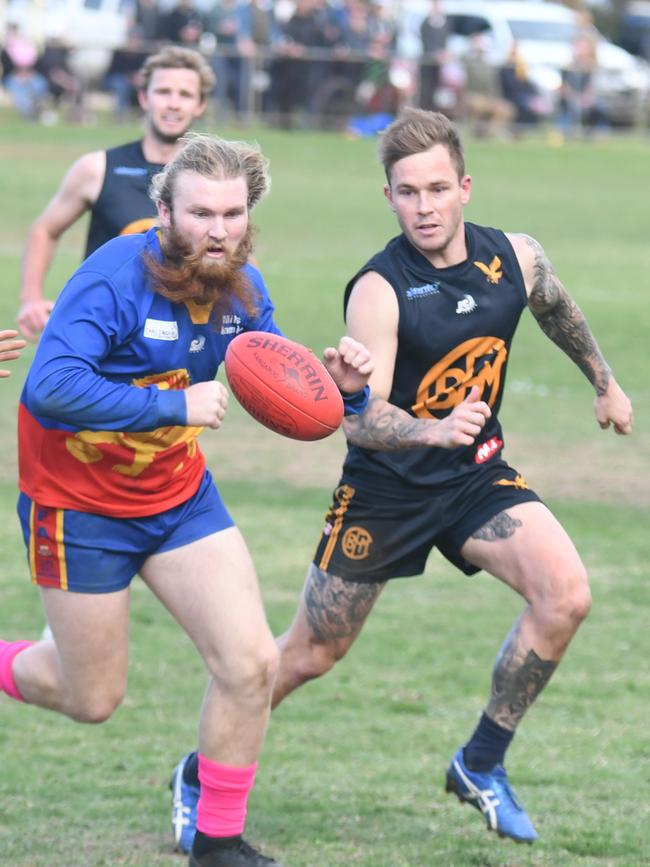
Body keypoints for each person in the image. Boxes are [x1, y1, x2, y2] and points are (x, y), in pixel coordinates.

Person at [171, 108, 633, 853]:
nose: (424, 206)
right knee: (310, 653)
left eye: (437, 189)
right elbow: (362, 420)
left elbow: (554, 306)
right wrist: (427, 427)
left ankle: (479, 761)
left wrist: (604, 382)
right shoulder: (381, 289)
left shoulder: (516, 256)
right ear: (387, 196)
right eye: (407, 192)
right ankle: (200, 770)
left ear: (465, 188)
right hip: (386, 490)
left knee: (567, 594)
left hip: (476, 476)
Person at [0, 132, 373, 867]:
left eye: (233, 213)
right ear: (164, 208)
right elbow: (48, 385)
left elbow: (272, 369)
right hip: (77, 507)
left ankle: (218, 840)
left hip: (177, 497)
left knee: (252, 663)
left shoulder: (244, 284)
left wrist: (340, 387)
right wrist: (174, 409)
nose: (218, 229)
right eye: (201, 212)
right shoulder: (114, 277)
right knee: (91, 697)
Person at [17, 44, 216, 343]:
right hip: (101, 333)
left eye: (185, 95)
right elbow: (45, 229)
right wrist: (31, 297)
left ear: (200, 105)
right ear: (143, 97)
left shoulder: (213, 179)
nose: (173, 104)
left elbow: (240, 260)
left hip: (180, 340)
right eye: (163, 92)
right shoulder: (97, 167)